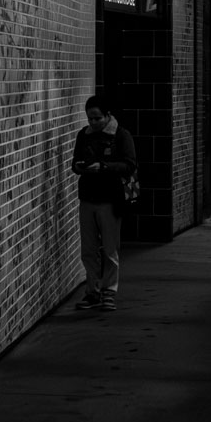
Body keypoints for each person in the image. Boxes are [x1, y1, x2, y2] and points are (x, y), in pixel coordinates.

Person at [70, 94, 136, 313]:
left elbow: (130, 165)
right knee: (88, 250)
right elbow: (74, 163)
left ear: (108, 115)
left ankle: (109, 292)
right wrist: (80, 167)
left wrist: (104, 167)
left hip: (110, 199)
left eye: (97, 118)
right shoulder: (84, 135)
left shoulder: (121, 135)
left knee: (110, 249)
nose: (93, 122)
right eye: (90, 118)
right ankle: (93, 291)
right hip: (87, 198)